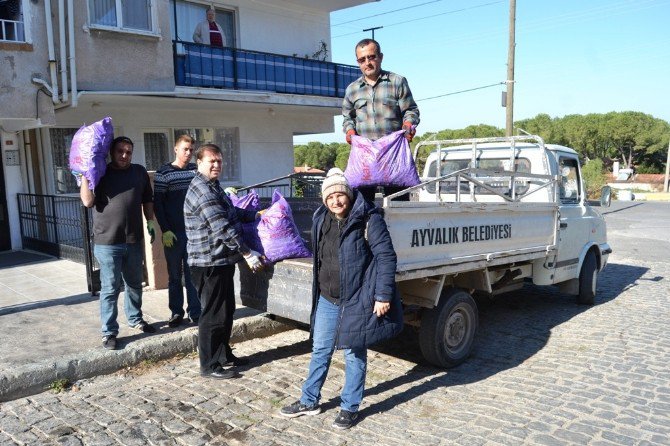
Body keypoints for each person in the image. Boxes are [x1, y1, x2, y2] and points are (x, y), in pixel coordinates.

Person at [280, 168, 402, 430]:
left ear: (348, 193)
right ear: (324, 199)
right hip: (327, 297)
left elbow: (386, 257)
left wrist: (382, 295)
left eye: (340, 194)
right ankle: (309, 401)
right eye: (330, 196)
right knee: (320, 349)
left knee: (354, 353)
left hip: (358, 297)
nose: (336, 201)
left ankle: (349, 407)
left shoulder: (368, 218)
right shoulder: (321, 217)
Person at [184, 143, 263, 379]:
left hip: (222, 260)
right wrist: (248, 253)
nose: (217, 165)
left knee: (226, 311)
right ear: (199, 163)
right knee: (212, 315)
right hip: (208, 262)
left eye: (219, 160)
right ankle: (208, 365)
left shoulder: (214, 186)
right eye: (212, 161)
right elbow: (223, 228)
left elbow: (232, 212)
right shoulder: (202, 191)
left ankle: (223, 355)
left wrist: (256, 215)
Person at [80, 136, 157, 351]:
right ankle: (109, 332)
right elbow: (87, 201)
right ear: (111, 153)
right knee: (110, 288)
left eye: (128, 152)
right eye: (120, 151)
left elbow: (147, 199)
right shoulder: (100, 172)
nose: (124, 155)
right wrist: (85, 176)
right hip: (107, 241)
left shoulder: (139, 172)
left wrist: (150, 222)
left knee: (134, 283)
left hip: (133, 238)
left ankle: (135, 319)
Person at [342, 38, 420, 201]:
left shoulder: (397, 82)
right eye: (362, 59)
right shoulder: (352, 89)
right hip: (364, 161)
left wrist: (408, 124)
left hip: (394, 157)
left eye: (371, 57)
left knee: (398, 207)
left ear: (380, 57)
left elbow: (411, 110)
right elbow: (348, 118)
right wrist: (349, 131)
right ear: (358, 62)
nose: (367, 63)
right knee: (362, 208)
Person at [154, 134, 201, 328]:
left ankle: (195, 312)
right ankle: (176, 312)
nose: (188, 153)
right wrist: (165, 229)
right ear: (176, 149)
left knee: (192, 274)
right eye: (185, 149)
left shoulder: (195, 171)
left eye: (191, 150)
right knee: (174, 275)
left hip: (193, 233)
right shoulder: (163, 173)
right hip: (173, 234)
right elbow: (158, 204)